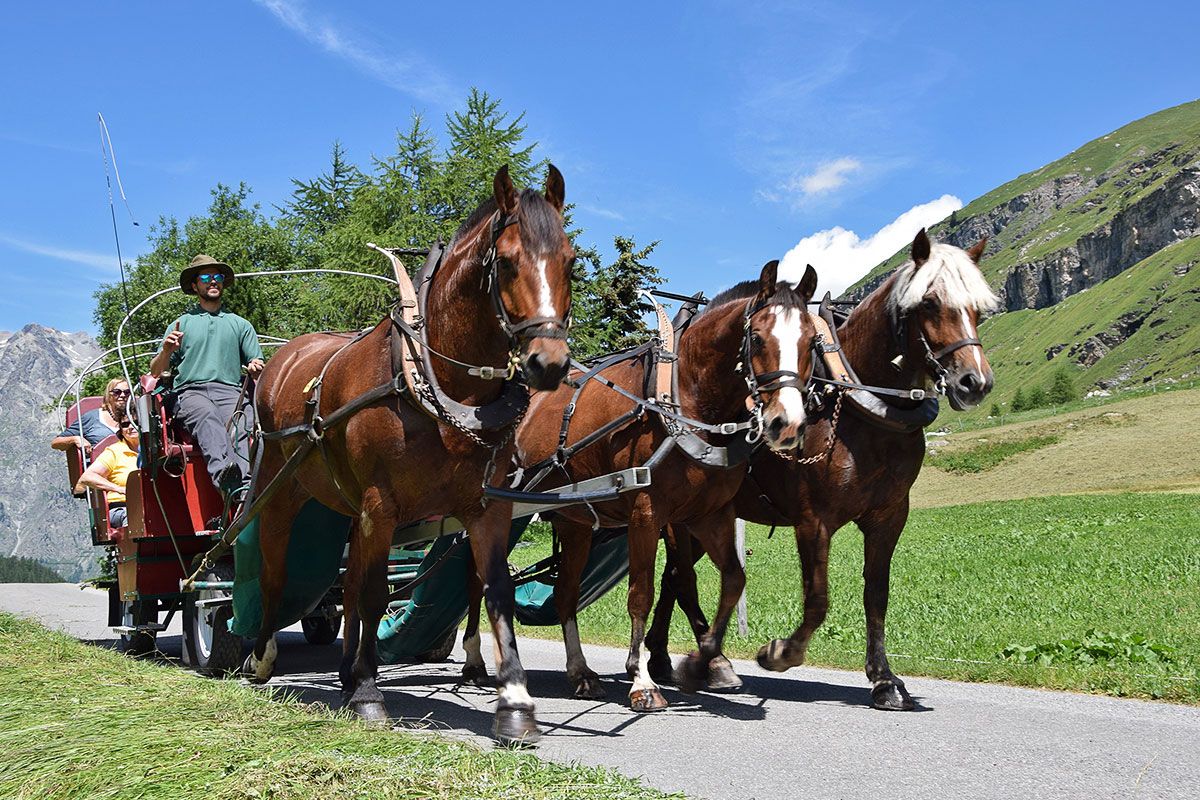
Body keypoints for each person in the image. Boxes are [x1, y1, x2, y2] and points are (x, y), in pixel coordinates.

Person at [149, 254, 264, 494]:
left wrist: (255, 366)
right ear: (195, 285)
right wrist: (167, 350)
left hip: (230, 390)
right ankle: (225, 479)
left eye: (218, 276)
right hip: (190, 393)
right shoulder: (181, 323)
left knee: (241, 419)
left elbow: (256, 363)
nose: (213, 281)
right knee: (207, 417)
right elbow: (156, 371)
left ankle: (242, 487)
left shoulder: (240, 325)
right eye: (206, 277)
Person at [75, 415, 140, 528]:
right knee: (135, 517)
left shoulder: (156, 450)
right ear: (121, 430)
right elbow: (87, 477)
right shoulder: (114, 452)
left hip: (151, 506)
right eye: (125, 424)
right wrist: (118, 489)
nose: (131, 427)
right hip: (122, 507)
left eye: (136, 422)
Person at [51, 377, 129, 456]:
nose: (122, 395)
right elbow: (56, 443)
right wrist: (76, 439)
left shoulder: (136, 417)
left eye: (127, 392)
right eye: (117, 392)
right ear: (108, 395)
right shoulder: (92, 417)